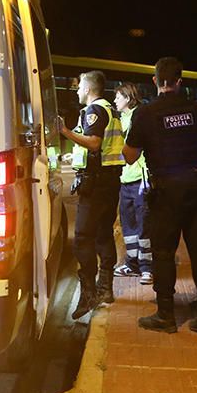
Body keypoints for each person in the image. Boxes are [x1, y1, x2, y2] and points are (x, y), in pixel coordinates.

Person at [123, 57, 197, 337]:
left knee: (163, 253)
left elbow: (130, 155)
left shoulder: (146, 113)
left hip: (165, 193)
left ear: (155, 81)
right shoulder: (194, 108)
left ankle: (166, 315)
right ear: (180, 82)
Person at [57, 70, 125, 320]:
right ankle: (106, 289)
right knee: (103, 233)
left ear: (88, 88)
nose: (76, 90)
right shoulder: (111, 109)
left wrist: (65, 131)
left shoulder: (94, 111)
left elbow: (94, 143)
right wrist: (73, 156)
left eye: (79, 86)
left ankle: (89, 293)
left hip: (96, 184)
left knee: (82, 237)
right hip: (109, 181)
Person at [112, 82, 153, 285]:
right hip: (125, 178)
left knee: (144, 224)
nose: (115, 100)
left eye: (118, 97)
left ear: (128, 98)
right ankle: (132, 264)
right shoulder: (120, 119)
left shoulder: (140, 116)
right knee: (128, 225)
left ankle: (147, 268)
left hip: (141, 177)